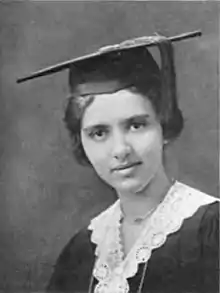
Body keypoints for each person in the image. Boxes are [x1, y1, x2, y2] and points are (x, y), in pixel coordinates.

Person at [17, 31, 219, 293]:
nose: (121, 149)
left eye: (136, 125)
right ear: (82, 142)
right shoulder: (82, 249)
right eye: (99, 133)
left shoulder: (210, 230)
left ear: (164, 125)